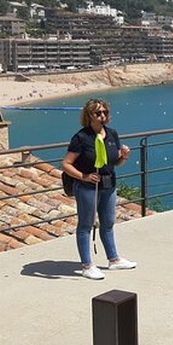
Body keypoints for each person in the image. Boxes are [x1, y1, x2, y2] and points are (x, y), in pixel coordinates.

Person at [61, 99, 135, 280]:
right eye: (98, 113)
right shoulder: (81, 138)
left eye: (105, 113)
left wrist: (124, 157)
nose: (102, 116)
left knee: (108, 223)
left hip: (108, 185)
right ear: (89, 116)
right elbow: (66, 164)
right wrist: (83, 176)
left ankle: (114, 259)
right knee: (85, 225)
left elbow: (114, 162)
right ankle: (87, 265)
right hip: (87, 187)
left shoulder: (112, 134)